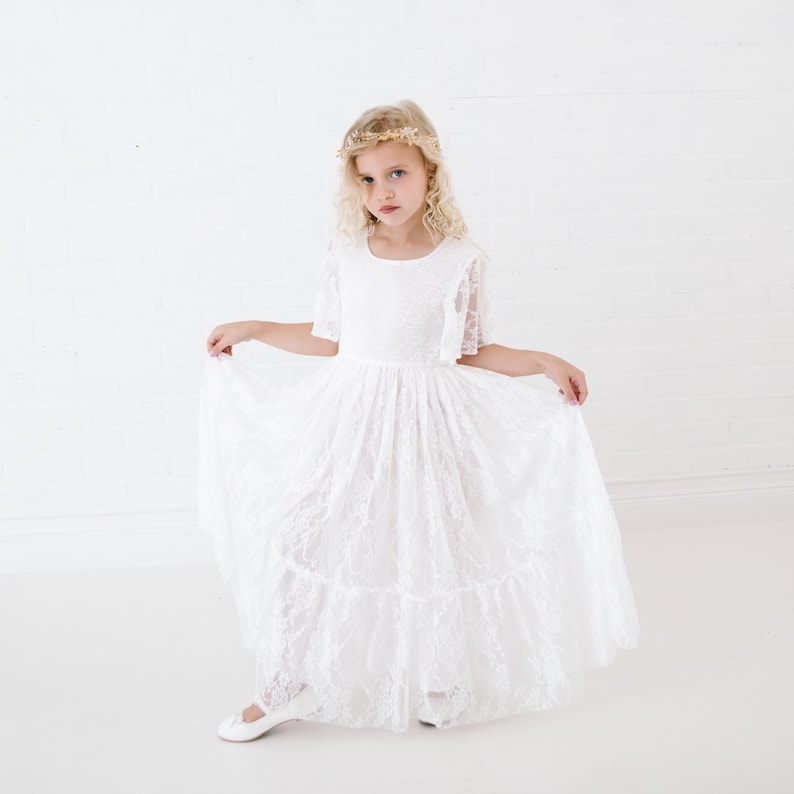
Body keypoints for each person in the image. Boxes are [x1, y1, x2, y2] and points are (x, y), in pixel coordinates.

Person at [199, 99, 639, 741]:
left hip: (429, 422)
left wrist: (543, 361)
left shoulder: (460, 261)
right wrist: (257, 328)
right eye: (368, 178)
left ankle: (441, 674)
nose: (382, 191)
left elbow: (469, 349)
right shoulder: (347, 252)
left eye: (397, 173)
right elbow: (331, 338)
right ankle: (285, 683)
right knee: (303, 537)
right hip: (352, 417)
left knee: (433, 547)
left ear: (430, 171)